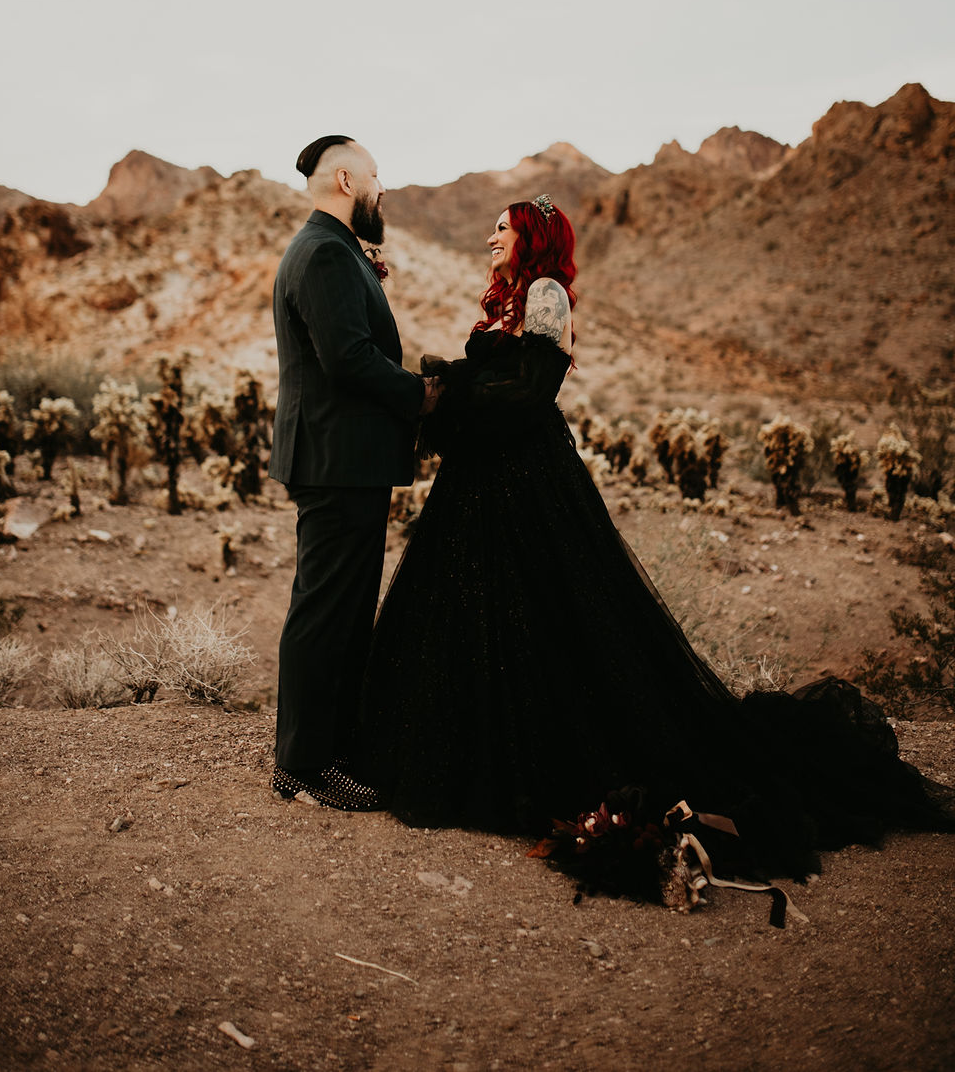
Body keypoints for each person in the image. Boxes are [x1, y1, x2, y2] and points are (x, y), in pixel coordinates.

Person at [354, 194, 955, 900]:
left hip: (527, 485)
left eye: (503, 228)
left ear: (534, 238)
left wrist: (448, 394)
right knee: (481, 617)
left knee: (552, 621)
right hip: (487, 488)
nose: (490, 237)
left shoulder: (546, 295)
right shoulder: (511, 299)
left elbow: (527, 399)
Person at [269, 135, 438, 811]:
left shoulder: (333, 253)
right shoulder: (324, 254)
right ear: (345, 180)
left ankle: (323, 750)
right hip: (338, 461)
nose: (382, 188)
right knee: (327, 613)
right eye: (374, 176)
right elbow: (349, 362)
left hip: (342, 458)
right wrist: (424, 396)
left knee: (336, 610)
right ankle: (304, 767)